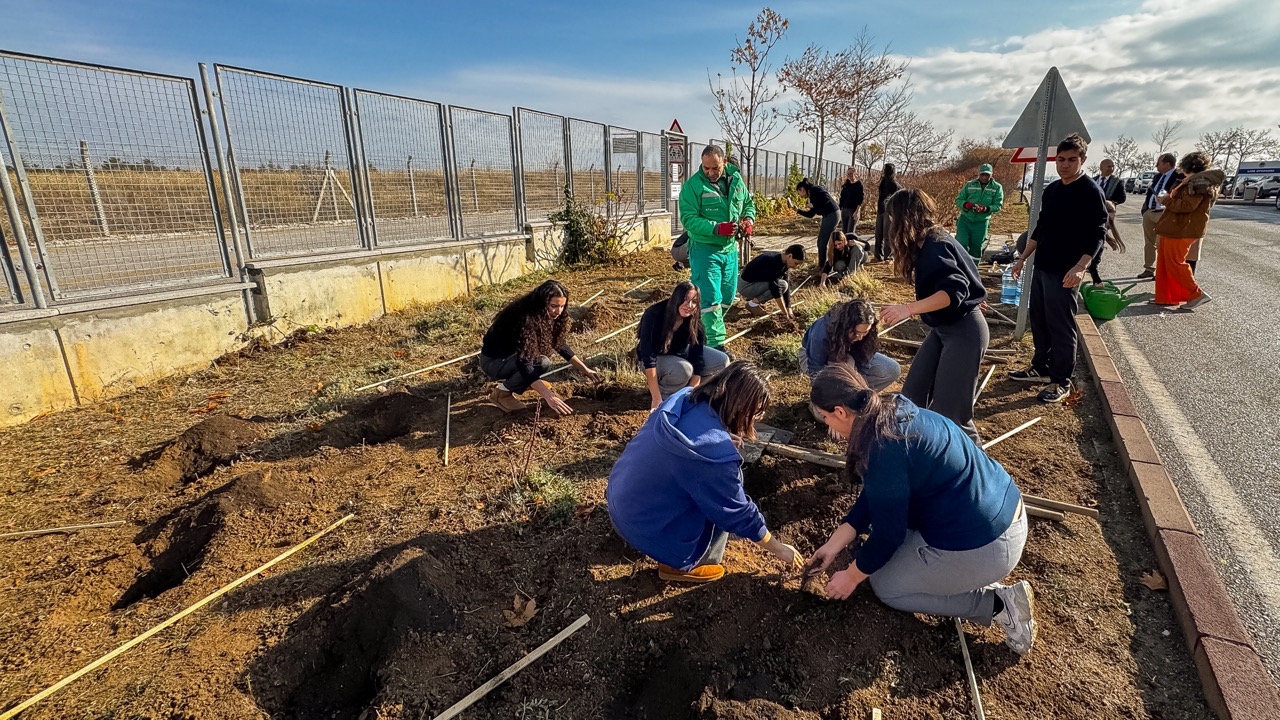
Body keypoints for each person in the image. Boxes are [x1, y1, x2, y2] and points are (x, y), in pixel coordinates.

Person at [805, 364, 1037, 655]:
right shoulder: (892, 412)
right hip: (1003, 511)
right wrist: (833, 544)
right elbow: (878, 496)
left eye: (826, 417)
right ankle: (964, 573)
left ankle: (1000, 605)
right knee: (878, 557)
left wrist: (851, 577)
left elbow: (889, 535)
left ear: (840, 411)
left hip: (989, 543)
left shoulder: (884, 448)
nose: (828, 427)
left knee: (887, 584)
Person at [606, 362, 804, 583]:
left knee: (699, 484)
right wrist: (778, 549)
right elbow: (736, 512)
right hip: (644, 529)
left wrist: (717, 435)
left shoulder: (682, 399)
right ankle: (681, 567)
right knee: (721, 497)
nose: (758, 418)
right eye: (757, 412)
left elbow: (687, 446)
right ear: (741, 407)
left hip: (619, 501)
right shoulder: (714, 459)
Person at [878, 188, 989, 443]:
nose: (891, 225)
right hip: (945, 329)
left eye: (894, 219)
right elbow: (968, 274)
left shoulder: (934, 244)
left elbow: (952, 291)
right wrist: (976, 297)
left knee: (951, 413)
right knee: (912, 395)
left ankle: (978, 473)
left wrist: (907, 309)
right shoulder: (932, 239)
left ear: (906, 218)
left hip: (964, 332)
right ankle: (918, 450)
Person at [1009, 133, 1108, 404]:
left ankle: (1061, 380)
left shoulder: (1090, 191)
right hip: (1042, 266)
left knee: (1061, 326)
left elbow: (1098, 234)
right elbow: (1040, 229)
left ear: (1082, 160)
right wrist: (1022, 259)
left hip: (1066, 271)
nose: (1064, 165)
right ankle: (1040, 367)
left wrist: (1080, 267)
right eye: (1060, 159)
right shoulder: (1051, 191)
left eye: (1071, 160)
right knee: (1039, 320)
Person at [480, 280, 600, 415]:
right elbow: (524, 362)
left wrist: (584, 369)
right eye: (554, 306)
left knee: (540, 362)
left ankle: (525, 382)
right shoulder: (524, 318)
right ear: (542, 302)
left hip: (512, 357)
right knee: (541, 363)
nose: (558, 311)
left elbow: (559, 344)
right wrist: (548, 395)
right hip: (494, 362)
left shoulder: (547, 315)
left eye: (562, 306)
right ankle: (501, 393)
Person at [678, 145, 757, 351]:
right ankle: (715, 346)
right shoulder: (693, 187)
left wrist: (748, 219)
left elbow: (748, 203)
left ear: (724, 163)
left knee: (727, 296)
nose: (711, 173)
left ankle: (698, 328)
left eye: (715, 168)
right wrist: (716, 228)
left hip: (729, 250)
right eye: (706, 168)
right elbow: (689, 219)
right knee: (711, 298)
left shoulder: (736, 180)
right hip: (705, 249)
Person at [636, 281, 730, 409]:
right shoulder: (654, 314)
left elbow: (698, 358)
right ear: (676, 298)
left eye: (694, 302)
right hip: (655, 360)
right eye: (685, 300)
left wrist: (690, 390)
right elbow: (648, 357)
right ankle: (665, 398)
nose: (689, 305)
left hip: (679, 353)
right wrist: (656, 397)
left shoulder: (694, 321)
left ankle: (690, 396)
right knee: (683, 369)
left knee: (722, 360)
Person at [1152, 152, 1223, 309]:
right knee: (1165, 262)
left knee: (1175, 263)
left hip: (1182, 229)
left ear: (1189, 166)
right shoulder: (1193, 181)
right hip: (1174, 227)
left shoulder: (1199, 184)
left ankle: (1196, 294)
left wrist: (1167, 200)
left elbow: (1187, 207)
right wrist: (1168, 200)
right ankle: (1166, 297)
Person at [799, 299, 901, 391]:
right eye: (856, 332)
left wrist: (861, 383)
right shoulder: (821, 332)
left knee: (891, 368)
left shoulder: (866, 332)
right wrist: (820, 395)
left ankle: (853, 397)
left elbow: (864, 361)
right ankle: (829, 402)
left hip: (847, 353)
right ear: (846, 325)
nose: (860, 337)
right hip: (811, 357)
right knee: (848, 369)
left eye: (864, 332)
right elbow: (815, 367)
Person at [1138, 153, 1183, 280]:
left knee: (1162, 244)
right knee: (1149, 242)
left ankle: (1162, 272)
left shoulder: (1179, 177)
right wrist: (1145, 210)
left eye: (1158, 163)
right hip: (1150, 212)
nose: (1156, 166)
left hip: (1165, 214)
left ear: (1167, 164)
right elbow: (1150, 193)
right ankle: (1149, 268)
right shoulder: (1158, 177)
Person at [953, 163, 1005, 262]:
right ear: (979, 174)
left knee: (976, 247)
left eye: (987, 175)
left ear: (991, 175)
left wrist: (986, 208)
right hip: (965, 220)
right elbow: (958, 200)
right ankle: (960, 266)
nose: (984, 177)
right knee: (961, 243)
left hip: (981, 222)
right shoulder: (969, 185)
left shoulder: (997, 187)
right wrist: (966, 205)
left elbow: (998, 205)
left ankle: (973, 269)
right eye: (982, 175)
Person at [738, 243, 804, 321]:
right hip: (746, 286)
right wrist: (785, 314)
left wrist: (789, 308)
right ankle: (752, 304)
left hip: (754, 283)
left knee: (784, 284)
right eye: (796, 263)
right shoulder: (773, 263)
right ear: (789, 256)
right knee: (782, 285)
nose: (795, 266)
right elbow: (776, 290)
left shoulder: (782, 261)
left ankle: (755, 302)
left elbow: (786, 284)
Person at [1088, 159, 1128, 286]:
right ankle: (1095, 279)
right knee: (1095, 239)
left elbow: (1122, 197)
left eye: (1112, 166)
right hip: (1092, 214)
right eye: (1108, 166)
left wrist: (1111, 203)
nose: (1110, 168)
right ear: (1101, 167)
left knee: (1098, 237)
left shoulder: (1117, 182)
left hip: (1107, 208)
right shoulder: (1093, 180)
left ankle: (1095, 278)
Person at [789, 178, 841, 264]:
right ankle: (828, 263)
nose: (800, 196)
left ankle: (822, 266)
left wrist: (814, 205)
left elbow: (826, 198)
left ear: (802, 189)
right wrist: (798, 210)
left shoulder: (815, 189)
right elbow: (811, 214)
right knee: (825, 241)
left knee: (821, 242)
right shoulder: (811, 195)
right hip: (829, 215)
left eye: (799, 193)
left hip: (832, 215)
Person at [874, 163, 902, 262]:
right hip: (884, 211)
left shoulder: (891, 184)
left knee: (883, 234)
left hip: (885, 211)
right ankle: (882, 255)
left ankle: (883, 255)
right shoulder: (887, 183)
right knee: (882, 234)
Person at [839, 168, 866, 235]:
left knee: (850, 232)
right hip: (844, 209)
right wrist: (840, 208)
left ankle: (851, 245)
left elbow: (860, 199)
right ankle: (844, 245)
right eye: (848, 174)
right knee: (844, 232)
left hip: (853, 210)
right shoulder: (846, 185)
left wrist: (857, 211)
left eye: (851, 173)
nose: (849, 175)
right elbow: (842, 197)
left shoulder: (859, 185)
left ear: (855, 174)